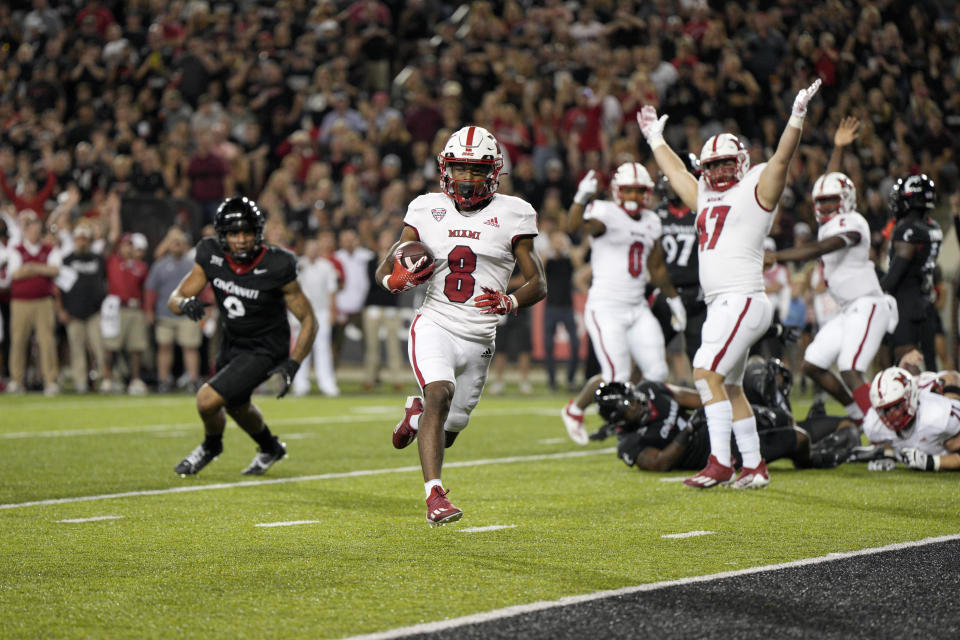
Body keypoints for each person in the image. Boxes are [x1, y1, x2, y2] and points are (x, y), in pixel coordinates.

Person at [638, 78, 823, 489]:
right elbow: (675, 170)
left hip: (742, 299)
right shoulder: (705, 195)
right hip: (725, 302)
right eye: (713, 164)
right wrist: (654, 138)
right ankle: (754, 466)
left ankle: (720, 463)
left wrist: (796, 116)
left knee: (704, 372)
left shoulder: (755, 191)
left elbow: (781, 160)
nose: (719, 170)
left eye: (726, 163)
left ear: (740, 161)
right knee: (732, 386)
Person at [375, 125, 546, 526]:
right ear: (444, 169)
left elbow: (538, 282)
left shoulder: (515, 213)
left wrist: (510, 299)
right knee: (439, 392)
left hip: (481, 336)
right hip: (435, 321)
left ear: (493, 172)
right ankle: (434, 496)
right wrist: (395, 281)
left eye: (475, 169)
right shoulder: (424, 208)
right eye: (459, 168)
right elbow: (385, 267)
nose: (466, 178)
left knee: (449, 428)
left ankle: (416, 415)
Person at [168, 196, 317, 476]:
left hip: (265, 348)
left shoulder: (277, 264)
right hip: (231, 341)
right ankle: (270, 447)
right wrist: (186, 304)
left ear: (258, 233)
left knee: (207, 400)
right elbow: (175, 298)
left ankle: (211, 446)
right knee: (237, 406)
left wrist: (293, 364)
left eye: (247, 232)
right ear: (222, 235)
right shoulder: (210, 254)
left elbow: (308, 318)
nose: (240, 240)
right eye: (234, 233)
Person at [560, 162, 687, 446]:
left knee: (657, 372)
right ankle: (576, 410)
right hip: (606, 307)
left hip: (638, 308)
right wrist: (581, 198)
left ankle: (641, 421)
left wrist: (674, 300)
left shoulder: (653, 221)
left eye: (638, 190)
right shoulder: (606, 213)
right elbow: (573, 228)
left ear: (647, 192)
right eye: (628, 189)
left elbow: (656, 268)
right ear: (617, 191)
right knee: (616, 376)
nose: (632, 195)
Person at [765, 170, 893, 426]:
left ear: (846, 199)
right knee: (813, 363)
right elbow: (829, 182)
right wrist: (838, 147)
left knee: (850, 367)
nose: (824, 206)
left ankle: (883, 431)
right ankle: (859, 416)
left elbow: (823, 248)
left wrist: (778, 257)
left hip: (868, 303)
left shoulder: (854, 221)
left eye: (831, 200)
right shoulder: (829, 225)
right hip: (848, 310)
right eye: (820, 201)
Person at [594, 372, 860, 474]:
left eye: (632, 397)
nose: (636, 403)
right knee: (798, 438)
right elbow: (660, 462)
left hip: (717, 426)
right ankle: (813, 459)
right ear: (618, 419)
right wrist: (688, 430)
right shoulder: (629, 444)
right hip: (716, 450)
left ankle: (783, 406)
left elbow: (699, 399)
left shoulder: (651, 390)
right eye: (627, 406)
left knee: (781, 416)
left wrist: (733, 407)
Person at [650, 152, 707, 368]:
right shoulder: (657, 213)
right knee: (650, 353)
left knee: (701, 358)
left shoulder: (701, 212)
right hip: (666, 292)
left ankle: (708, 400)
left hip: (698, 294)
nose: (671, 185)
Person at [882, 174, 942, 370]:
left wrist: (872, 292)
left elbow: (896, 274)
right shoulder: (933, 227)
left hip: (905, 304)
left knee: (906, 364)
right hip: (925, 301)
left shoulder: (907, 229)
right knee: (930, 367)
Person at [5, 210, 60, 394]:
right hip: (20, 302)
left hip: (44, 301)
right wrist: (41, 269)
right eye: (32, 229)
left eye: (38, 229)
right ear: (26, 231)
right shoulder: (16, 250)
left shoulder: (49, 249)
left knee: (47, 341)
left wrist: (31, 267)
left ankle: (50, 380)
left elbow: (55, 270)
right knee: (18, 341)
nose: (35, 233)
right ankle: (16, 380)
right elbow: (15, 274)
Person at [865, 366, 960, 472]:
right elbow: (887, 441)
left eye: (897, 406)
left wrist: (932, 462)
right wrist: (888, 454)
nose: (892, 415)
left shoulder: (936, 414)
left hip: (942, 391)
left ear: (911, 398)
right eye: (886, 410)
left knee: (952, 443)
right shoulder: (874, 423)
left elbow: (952, 377)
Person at [145, 227, 202, 393]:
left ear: (185, 245)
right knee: (164, 347)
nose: (176, 246)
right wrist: (149, 311)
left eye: (180, 243)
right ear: (168, 245)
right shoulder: (160, 265)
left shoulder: (192, 265)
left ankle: (192, 380)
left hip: (188, 314)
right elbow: (150, 290)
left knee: (190, 347)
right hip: (165, 313)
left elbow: (203, 288)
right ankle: (163, 380)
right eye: (174, 243)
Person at [56, 221, 106, 393]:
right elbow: (58, 288)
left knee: (99, 347)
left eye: (85, 238)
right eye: (79, 238)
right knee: (76, 349)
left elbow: (104, 283)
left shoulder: (98, 259)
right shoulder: (67, 260)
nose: (82, 241)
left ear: (90, 240)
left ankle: (104, 379)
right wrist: (61, 309)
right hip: (73, 312)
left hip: (94, 311)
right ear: (75, 240)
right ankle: (81, 382)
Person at [291, 237, 340, 397]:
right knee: (302, 348)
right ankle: (300, 384)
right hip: (302, 313)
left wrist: (332, 312)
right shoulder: (297, 265)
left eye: (314, 248)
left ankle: (327, 383)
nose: (312, 251)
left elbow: (331, 290)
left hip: (322, 312)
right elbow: (292, 291)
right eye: (309, 248)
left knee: (323, 348)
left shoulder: (326, 266)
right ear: (305, 249)